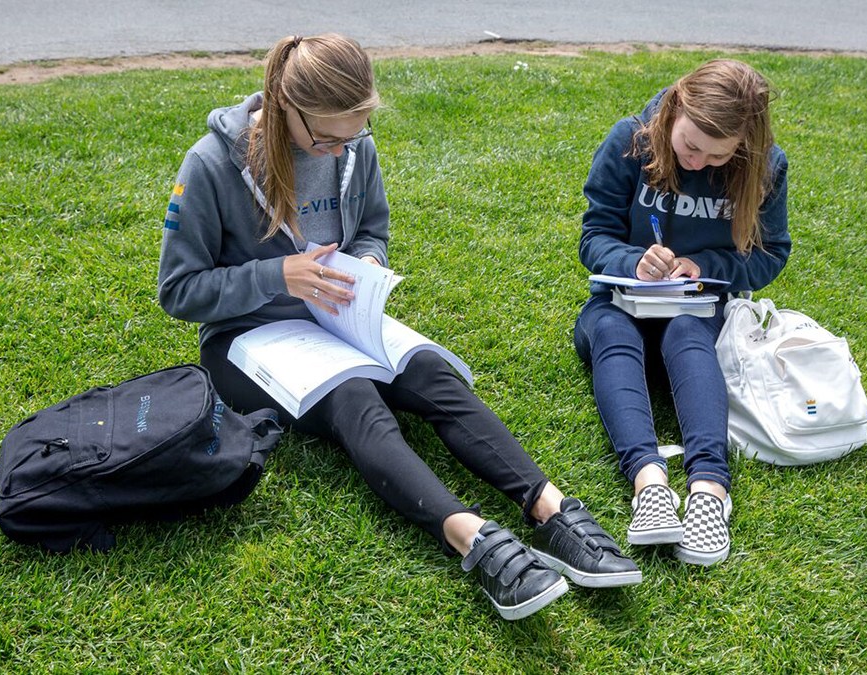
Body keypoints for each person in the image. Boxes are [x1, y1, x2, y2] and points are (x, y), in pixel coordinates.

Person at [157, 33, 640, 620]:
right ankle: (473, 538)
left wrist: (369, 264)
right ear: (285, 103)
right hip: (248, 340)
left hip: (338, 317)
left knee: (433, 373)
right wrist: (278, 275)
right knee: (355, 398)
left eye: (352, 135)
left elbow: (373, 230)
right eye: (327, 138)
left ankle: (550, 509)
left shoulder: (356, 149)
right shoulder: (209, 165)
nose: (338, 152)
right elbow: (179, 291)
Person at [574, 59, 790, 566]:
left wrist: (704, 264)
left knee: (688, 333)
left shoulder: (767, 166)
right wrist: (634, 261)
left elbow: (770, 253)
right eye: (690, 145)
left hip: (696, 308)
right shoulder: (631, 140)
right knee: (610, 329)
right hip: (620, 302)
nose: (697, 161)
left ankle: (709, 491)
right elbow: (594, 236)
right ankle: (649, 484)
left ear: (745, 145)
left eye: (718, 155)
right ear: (675, 109)